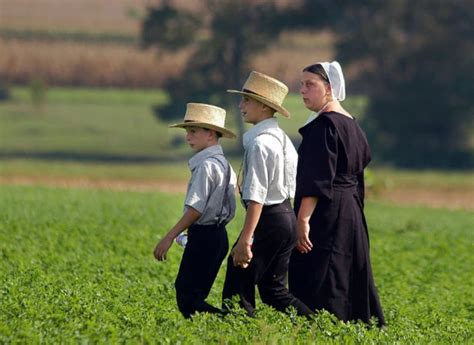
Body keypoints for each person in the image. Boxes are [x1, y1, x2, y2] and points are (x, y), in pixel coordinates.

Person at [288, 61, 385, 326]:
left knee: (323, 273)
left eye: (310, 85)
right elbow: (358, 176)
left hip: (327, 212)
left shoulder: (325, 126)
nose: (302, 91)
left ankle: (326, 329)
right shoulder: (352, 124)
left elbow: (317, 179)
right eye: (301, 84)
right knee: (346, 271)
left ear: (329, 88)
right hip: (351, 210)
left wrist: (303, 220)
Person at [222, 71, 313, 317]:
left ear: (263, 106)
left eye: (247, 101)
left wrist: (246, 240)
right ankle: (320, 328)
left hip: (268, 220)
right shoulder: (281, 139)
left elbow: (257, 196)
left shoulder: (260, 144)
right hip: (285, 218)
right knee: (273, 290)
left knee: (236, 291)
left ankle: (236, 336)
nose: (241, 106)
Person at [153, 103, 237, 318]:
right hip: (218, 236)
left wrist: (169, 237)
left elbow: (195, 210)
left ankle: (229, 324)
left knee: (186, 296)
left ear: (210, 134)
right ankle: (225, 328)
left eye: (193, 131)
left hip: (205, 236)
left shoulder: (207, 166)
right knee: (193, 295)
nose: (188, 136)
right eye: (187, 132)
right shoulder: (224, 164)